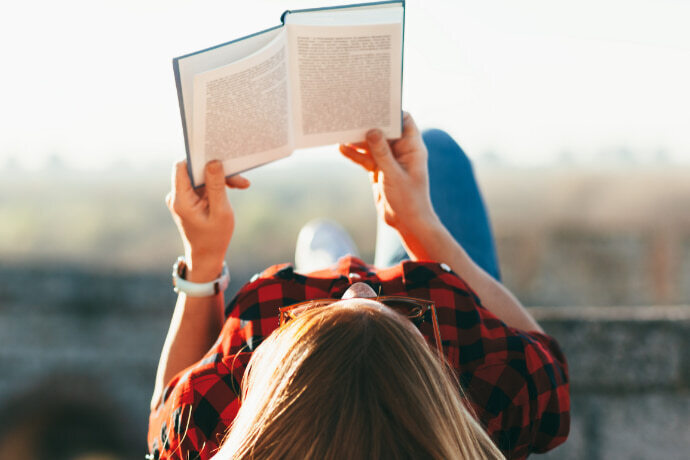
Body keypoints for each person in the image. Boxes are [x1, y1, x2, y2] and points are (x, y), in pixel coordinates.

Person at [147, 113, 570, 460]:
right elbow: (545, 358)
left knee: (325, 239)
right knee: (437, 149)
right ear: (432, 380)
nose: (355, 287)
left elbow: (162, 424)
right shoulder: (487, 383)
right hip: (429, 279)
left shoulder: (219, 406)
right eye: (395, 316)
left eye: (318, 317)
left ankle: (320, 261)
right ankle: (327, 262)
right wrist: (421, 226)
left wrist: (202, 264)